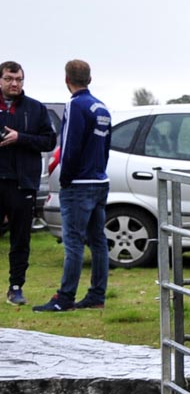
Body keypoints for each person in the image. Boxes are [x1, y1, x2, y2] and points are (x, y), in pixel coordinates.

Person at [34, 60, 111, 312]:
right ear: (89, 78)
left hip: (78, 184)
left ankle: (65, 297)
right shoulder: (101, 107)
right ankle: (97, 294)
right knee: (98, 241)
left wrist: (65, 178)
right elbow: (106, 146)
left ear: (67, 79)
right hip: (100, 180)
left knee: (74, 242)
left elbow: (70, 145)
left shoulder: (75, 105)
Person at [0, 61, 57, 306]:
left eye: (19, 79)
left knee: (20, 238)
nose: (15, 84)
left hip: (22, 183)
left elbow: (49, 141)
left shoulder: (35, 109)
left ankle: (16, 287)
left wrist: (20, 138)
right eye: (10, 79)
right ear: (0, 80)